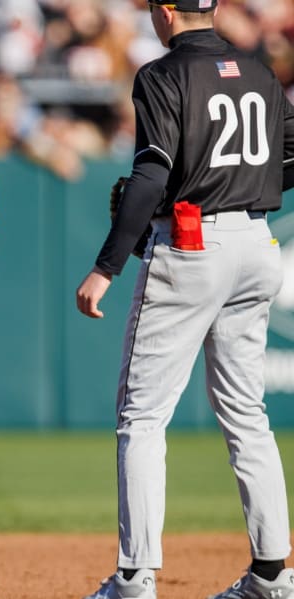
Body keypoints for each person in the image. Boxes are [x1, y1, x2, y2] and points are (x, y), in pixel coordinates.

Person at [75, 0, 294, 597]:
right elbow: (289, 156)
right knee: (248, 415)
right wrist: (239, 181)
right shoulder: (257, 69)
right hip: (256, 241)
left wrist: (106, 266)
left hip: (192, 242)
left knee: (141, 418)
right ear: (216, 8)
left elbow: (151, 174)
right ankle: (274, 576)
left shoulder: (162, 73)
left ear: (164, 12)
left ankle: (134, 578)